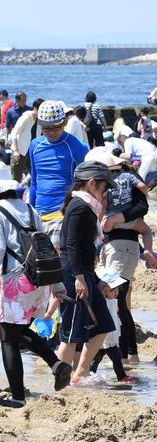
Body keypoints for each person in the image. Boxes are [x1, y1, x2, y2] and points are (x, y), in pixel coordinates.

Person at [0, 162, 71, 407]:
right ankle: (57, 364)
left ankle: (17, 397)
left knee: (8, 338)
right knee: (19, 331)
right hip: (38, 280)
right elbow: (44, 247)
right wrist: (56, 285)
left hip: (16, 280)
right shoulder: (29, 208)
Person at [56, 161, 117, 386]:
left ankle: (79, 374)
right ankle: (58, 385)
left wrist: (95, 279)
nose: (105, 193)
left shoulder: (87, 207)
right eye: (103, 188)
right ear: (91, 184)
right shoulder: (80, 206)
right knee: (71, 334)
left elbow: (83, 247)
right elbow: (70, 245)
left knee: (104, 325)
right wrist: (80, 277)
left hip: (84, 273)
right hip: (74, 273)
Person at [93, 149, 154, 364]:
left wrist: (106, 222)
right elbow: (143, 202)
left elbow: (104, 212)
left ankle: (126, 355)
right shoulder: (128, 181)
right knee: (120, 301)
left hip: (120, 248)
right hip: (119, 248)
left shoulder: (112, 187)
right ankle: (129, 354)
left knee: (117, 300)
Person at [27, 100, 89, 247]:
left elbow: (85, 185)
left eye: (56, 127)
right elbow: (35, 182)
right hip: (40, 213)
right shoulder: (35, 146)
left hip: (63, 214)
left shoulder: (78, 147)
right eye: (47, 129)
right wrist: (30, 212)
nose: (52, 132)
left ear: (65, 122)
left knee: (58, 261)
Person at [91, 266, 136, 382]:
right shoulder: (103, 302)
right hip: (107, 337)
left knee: (97, 356)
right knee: (116, 357)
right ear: (105, 290)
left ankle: (90, 373)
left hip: (108, 336)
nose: (116, 293)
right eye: (113, 290)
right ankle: (121, 376)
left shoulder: (111, 301)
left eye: (117, 290)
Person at [9, 98, 43, 182]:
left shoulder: (40, 120)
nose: (43, 113)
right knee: (16, 178)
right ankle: (14, 195)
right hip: (20, 152)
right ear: (35, 109)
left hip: (32, 152)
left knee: (37, 176)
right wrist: (16, 150)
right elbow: (14, 133)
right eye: (41, 111)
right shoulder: (26, 118)